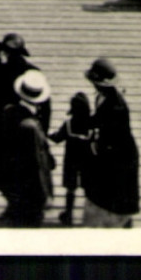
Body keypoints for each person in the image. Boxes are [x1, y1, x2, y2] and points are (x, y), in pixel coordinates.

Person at [0, 69, 55, 225]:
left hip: (13, 185)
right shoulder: (30, 127)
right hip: (31, 193)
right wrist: (46, 195)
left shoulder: (9, 111)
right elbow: (37, 165)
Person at [82, 58, 139, 227]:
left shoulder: (116, 107)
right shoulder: (102, 97)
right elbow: (98, 120)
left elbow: (111, 136)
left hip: (120, 153)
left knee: (117, 194)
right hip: (110, 148)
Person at [49, 92, 94, 226]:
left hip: (71, 160)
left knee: (71, 187)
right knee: (88, 187)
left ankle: (68, 214)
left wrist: (48, 134)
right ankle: (90, 214)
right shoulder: (91, 124)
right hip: (88, 160)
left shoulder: (69, 124)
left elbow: (57, 138)